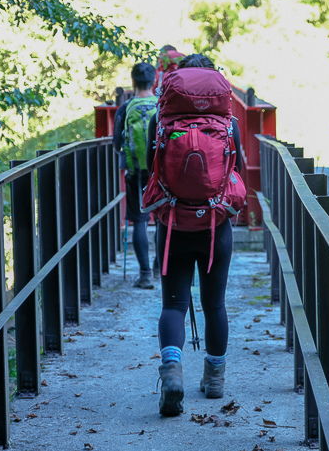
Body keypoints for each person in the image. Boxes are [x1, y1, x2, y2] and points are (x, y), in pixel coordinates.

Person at [145, 53, 242, 415]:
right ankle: (214, 379)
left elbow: (149, 167)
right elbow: (237, 171)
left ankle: (172, 372)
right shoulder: (228, 124)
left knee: (174, 304)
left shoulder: (162, 120)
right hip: (216, 226)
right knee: (214, 303)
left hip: (172, 224)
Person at [112, 62, 159, 289]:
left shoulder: (125, 108)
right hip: (160, 174)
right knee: (163, 220)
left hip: (136, 174)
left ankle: (145, 274)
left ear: (133, 82)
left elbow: (116, 144)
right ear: (155, 80)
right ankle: (161, 267)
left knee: (139, 222)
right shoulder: (163, 106)